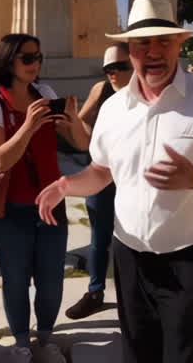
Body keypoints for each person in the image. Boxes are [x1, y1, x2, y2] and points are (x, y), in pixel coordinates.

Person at [34, 0, 193, 363]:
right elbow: (102, 171)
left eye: (164, 41)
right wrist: (67, 185)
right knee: (135, 353)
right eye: (142, 43)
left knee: (180, 354)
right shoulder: (114, 108)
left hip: (186, 255)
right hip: (129, 255)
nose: (153, 52)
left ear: (180, 44)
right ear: (128, 50)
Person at [0, 33, 89, 362]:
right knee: (15, 278)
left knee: (52, 279)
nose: (35, 64)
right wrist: (28, 125)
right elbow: (1, 159)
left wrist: (73, 117)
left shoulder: (46, 93)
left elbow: (81, 144)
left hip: (51, 203)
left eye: (38, 57)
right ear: (8, 61)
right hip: (9, 208)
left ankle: (46, 337)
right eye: (27, 58)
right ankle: (21, 343)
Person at [67, 44, 132, 320]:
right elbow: (79, 124)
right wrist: (85, 129)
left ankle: (133, 295)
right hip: (102, 173)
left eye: (120, 67)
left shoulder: (147, 93)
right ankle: (95, 291)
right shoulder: (101, 90)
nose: (113, 74)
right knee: (99, 237)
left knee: (131, 238)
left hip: (132, 176)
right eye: (108, 69)